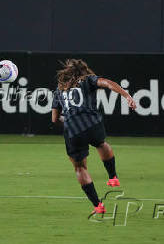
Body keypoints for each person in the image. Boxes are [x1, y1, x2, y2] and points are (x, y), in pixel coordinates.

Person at [51, 59, 136, 214]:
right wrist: (126, 95)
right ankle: (113, 177)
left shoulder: (59, 90)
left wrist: (69, 118)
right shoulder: (88, 80)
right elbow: (108, 83)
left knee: (80, 167)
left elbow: (55, 119)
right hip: (92, 123)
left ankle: (98, 206)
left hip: (73, 131)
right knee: (101, 144)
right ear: (84, 70)